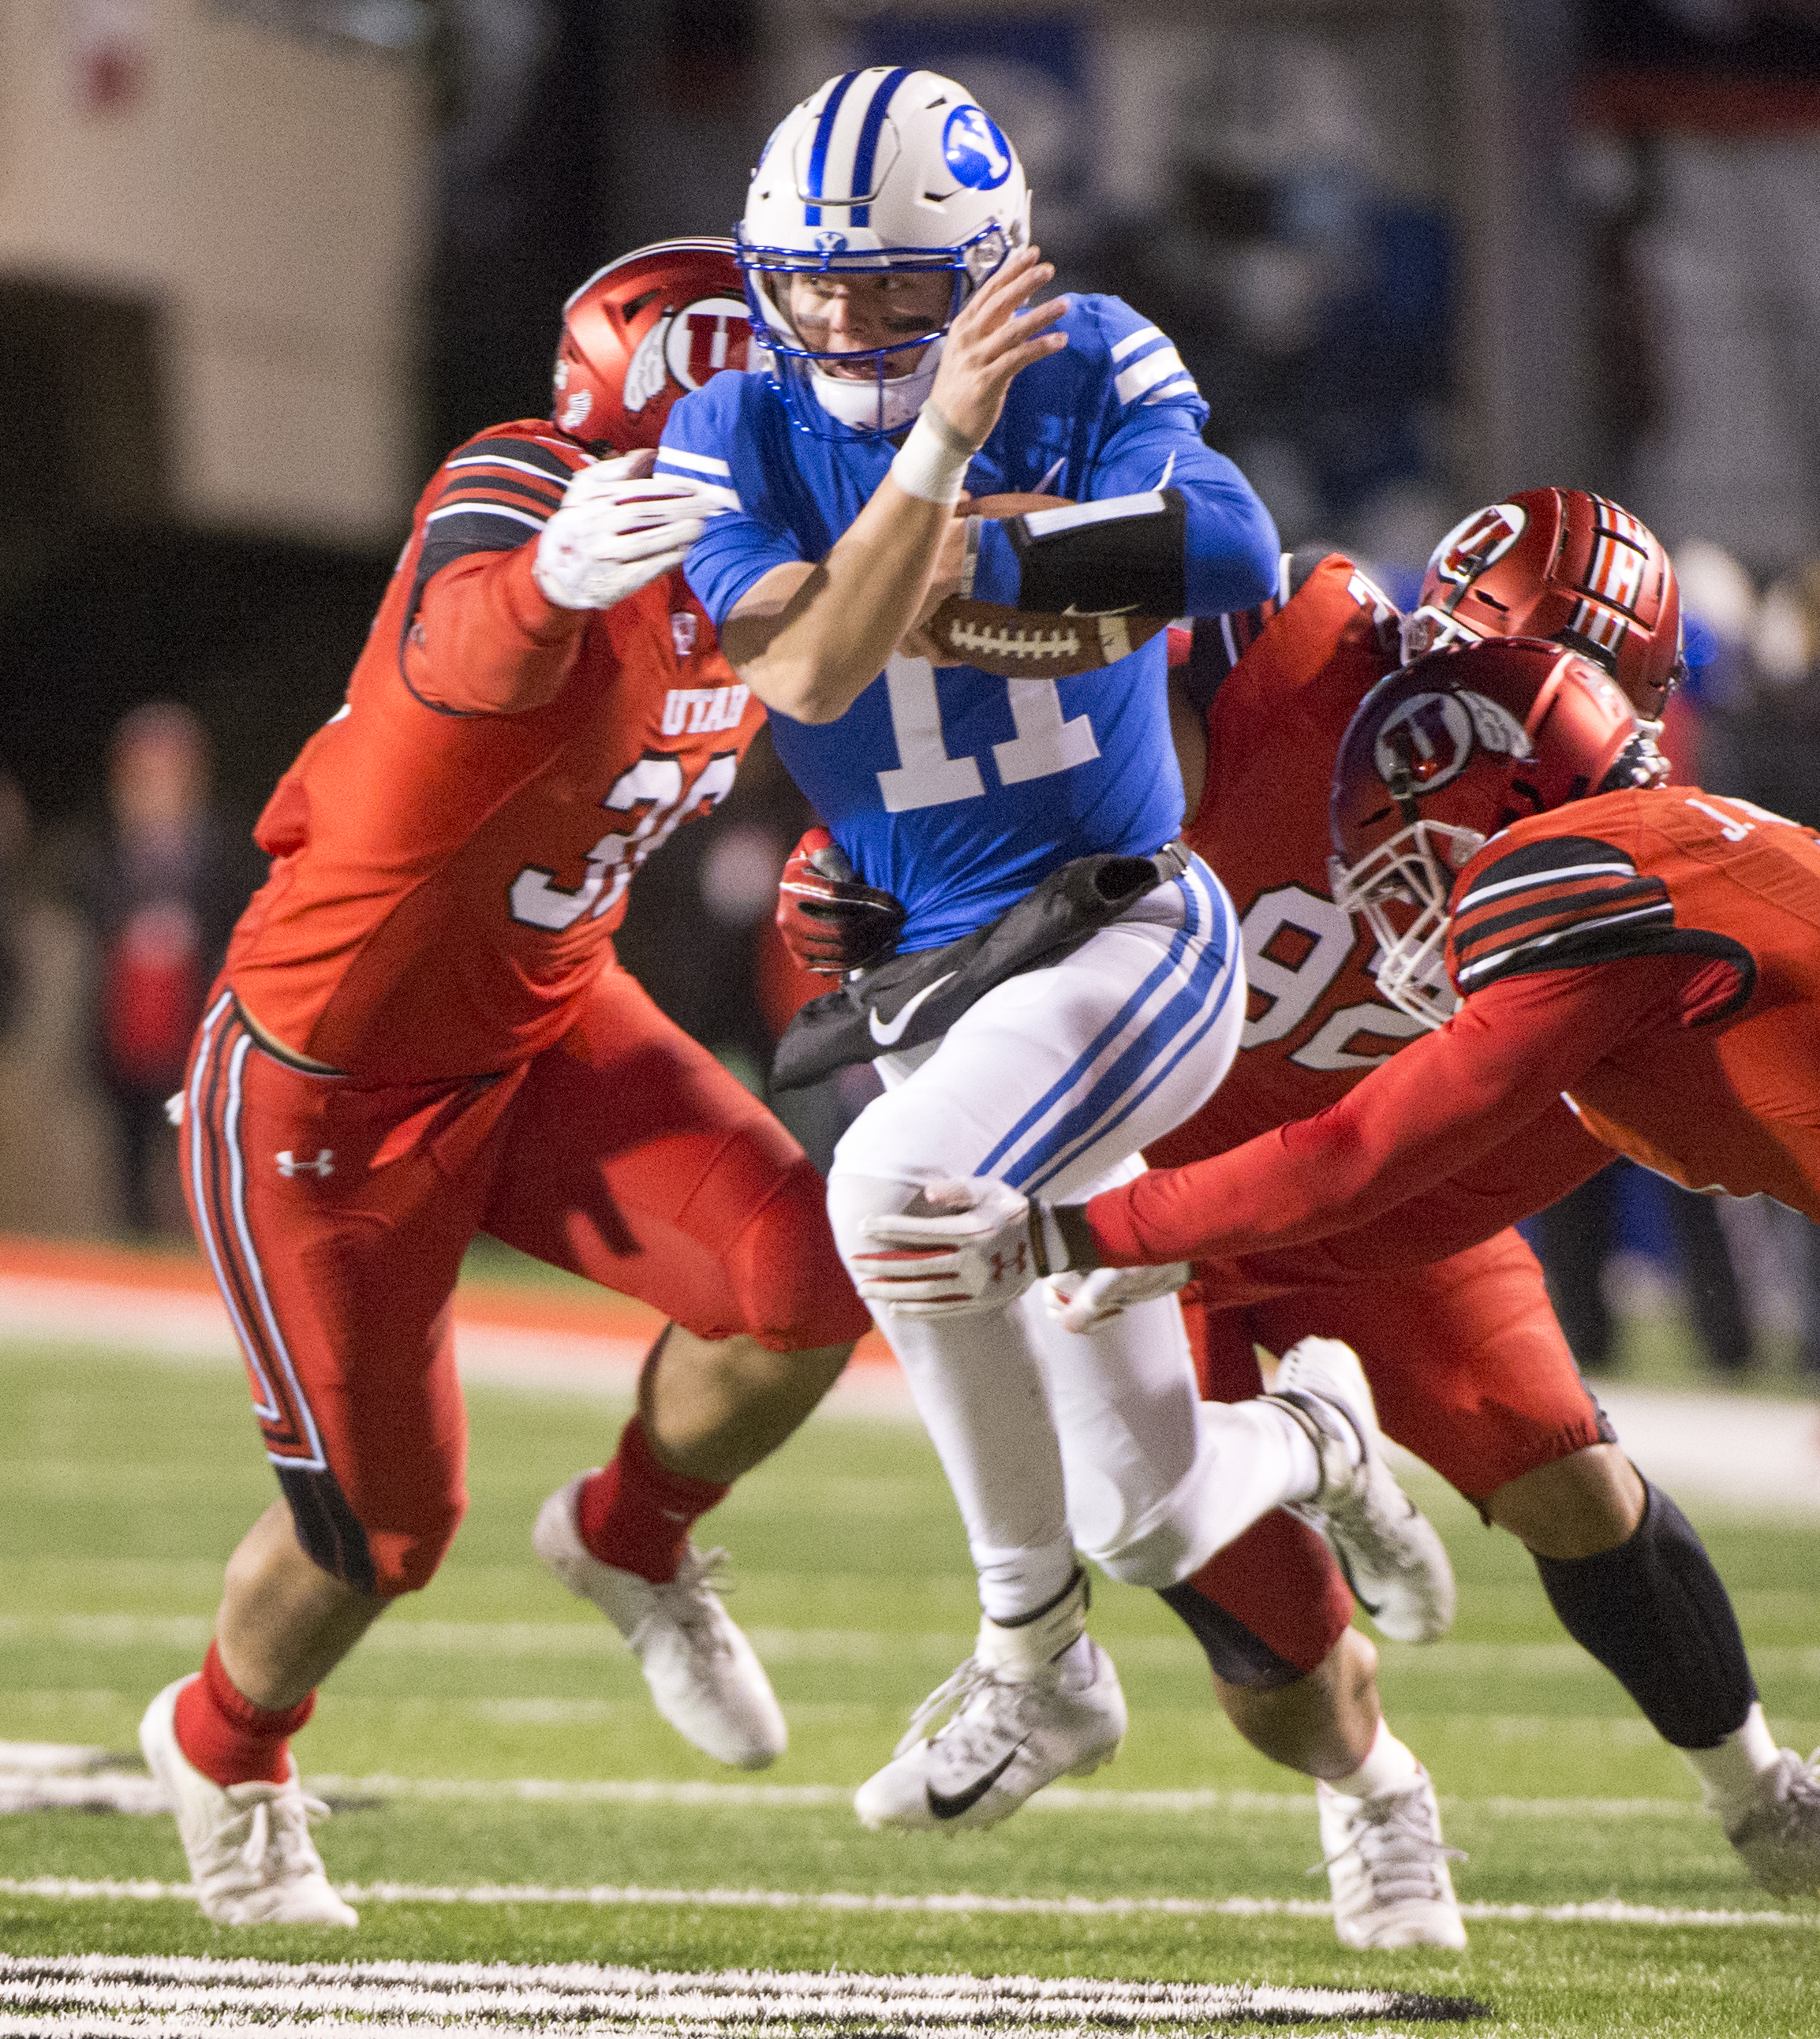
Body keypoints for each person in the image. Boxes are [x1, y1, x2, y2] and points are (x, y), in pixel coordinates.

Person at [659, 66, 1454, 1835]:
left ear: (994, 276)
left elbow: (1227, 543)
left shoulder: (1083, 351)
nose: (847, 319)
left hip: (1130, 929)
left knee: (888, 1198)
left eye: (895, 288)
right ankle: (1319, 1431)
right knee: (1152, 1512)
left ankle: (1033, 1660)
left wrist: (910, 557)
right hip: (930, 990)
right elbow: (798, 674)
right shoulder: (725, 429)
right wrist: (949, 479)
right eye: (816, 282)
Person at [136, 241, 873, 1929]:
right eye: (767, 387)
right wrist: (548, 580)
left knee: (802, 1279)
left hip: (544, 1020)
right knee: (386, 1533)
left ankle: (631, 1530)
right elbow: (455, 653)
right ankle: (224, 1746)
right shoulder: (528, 495)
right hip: (332, 1082)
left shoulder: (768, 558)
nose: (807, 414)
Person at [861, 629, 1820, 1905]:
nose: (1385, 896)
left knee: (1563, 1475)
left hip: (1262, 1213)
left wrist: (1074, 1234)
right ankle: (1359, 1765)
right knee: (1218, 1601)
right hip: (1199, 1209)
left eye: (1402, 844)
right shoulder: (1676, 858)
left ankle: (1761, 1794)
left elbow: (1359, 1155)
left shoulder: (1554, 868)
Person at [79, 704, 254, 1236]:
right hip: (128, 1027)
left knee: (200, 1146)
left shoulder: (225, 847)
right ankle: (135, 1240)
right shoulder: (102, 849)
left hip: (195, 1019)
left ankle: (207, 1238)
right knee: (129, 1153)